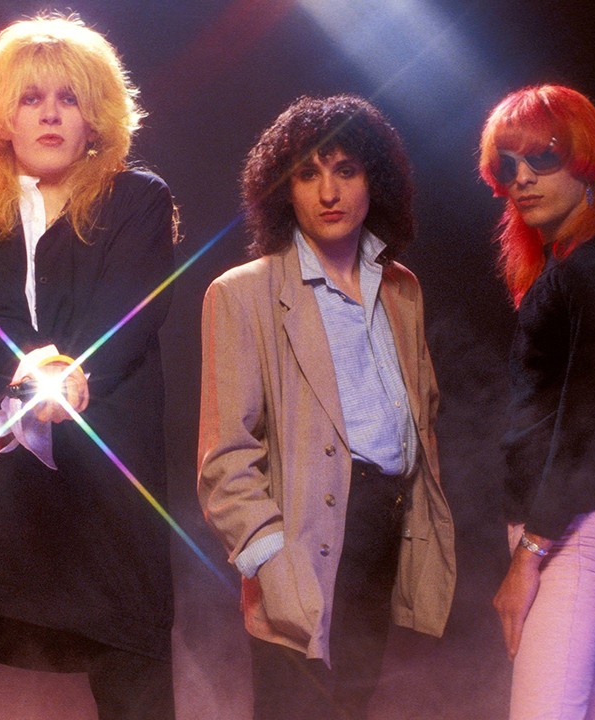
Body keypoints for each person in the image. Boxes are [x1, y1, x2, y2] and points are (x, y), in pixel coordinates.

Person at [0, 15, 177, 719]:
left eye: (69, 97)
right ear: (1, 117)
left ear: (97, 117)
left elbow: (130, 311)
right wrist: (40, 370)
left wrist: (79, 376)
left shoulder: (140, 201)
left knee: (136, 689)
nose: (50, 113)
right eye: (31, 98)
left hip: (105, 482)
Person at [198, 95, 456, 720]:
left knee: (353, 708)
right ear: (282, 191)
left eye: (346, 169)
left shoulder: (402, 287)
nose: (328, 191)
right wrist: (271, 562)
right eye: (307, 174)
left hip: (383, 534)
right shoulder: (244, 293)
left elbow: (420, 418)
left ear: (376, 180)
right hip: (305, 540)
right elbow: (224, 463)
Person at [479, 84, 595, 720]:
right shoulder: (581, 261)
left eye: (542, 158)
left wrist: (530, 554)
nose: (522, 178)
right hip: (564, 530)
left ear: (585, 162)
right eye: (509, 166)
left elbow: (592, 421)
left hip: (571, 535)